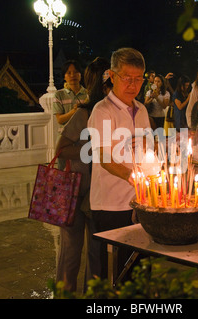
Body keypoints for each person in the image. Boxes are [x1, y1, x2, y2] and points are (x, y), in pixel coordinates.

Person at [87, 48, 151, 280]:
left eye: (138, 79)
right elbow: (103, 158)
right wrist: (131, 176)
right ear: (112, 76)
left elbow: (148, 150)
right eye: (127, 78)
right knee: (115, 272)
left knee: (140, 269)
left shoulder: (142, 110)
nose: (133, 85)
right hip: (111, 204)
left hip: (140, 201)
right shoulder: (102, 111)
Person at [55, 57, 112, 292]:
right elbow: (61, 149)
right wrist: (90, 149)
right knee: (70, 250)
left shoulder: (113, 115)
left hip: (97, 192)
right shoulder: (84, 113)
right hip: (74, 191)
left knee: (97, 252)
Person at [53, 60, 88, 168]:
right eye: (68, 73)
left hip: (83, 138)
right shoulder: (59, 95)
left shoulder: (87, 94)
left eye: (76, 72)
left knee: (81, 169)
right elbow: (59, 119)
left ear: (80, 75)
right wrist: (74, 112)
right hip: (64, 138)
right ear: (64, 76)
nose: (73, 75)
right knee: (62, 171)